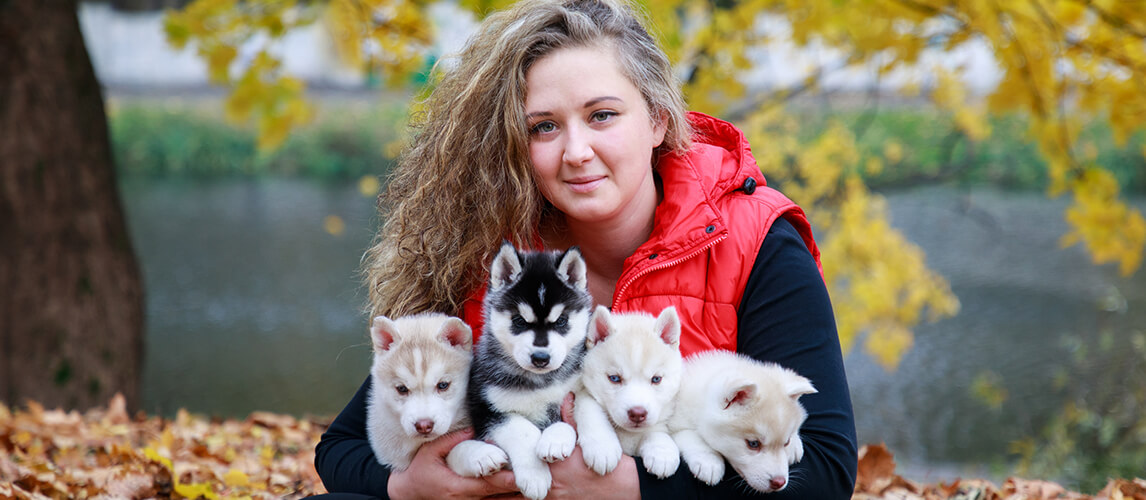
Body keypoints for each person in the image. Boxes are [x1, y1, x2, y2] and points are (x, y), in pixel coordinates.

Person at [313, 0, 858, 498]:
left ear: (658, 121)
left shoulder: (755, 242)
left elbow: (828, 475)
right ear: (516, 147)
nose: (576, 151)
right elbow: (341, 452)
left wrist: (628, 486)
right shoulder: (493, 257)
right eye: (544, 127)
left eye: (602, 115)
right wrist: (409, 484)